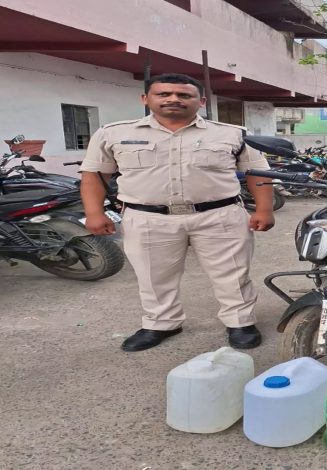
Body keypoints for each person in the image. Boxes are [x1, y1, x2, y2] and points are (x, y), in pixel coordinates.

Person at [80, 73, 275, 352]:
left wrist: (265, 209)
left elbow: (258, 173)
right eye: (164, 94)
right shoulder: (114, 133)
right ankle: (161, 323)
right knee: (152, 275)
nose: (174, 99)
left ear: (201, 101)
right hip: (148, 218)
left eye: (184, 95)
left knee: (232, 273)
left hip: (218, 215)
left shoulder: (231, 133)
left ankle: (240, 322)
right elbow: (94, 176)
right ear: (145, 99)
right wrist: (94, 213)